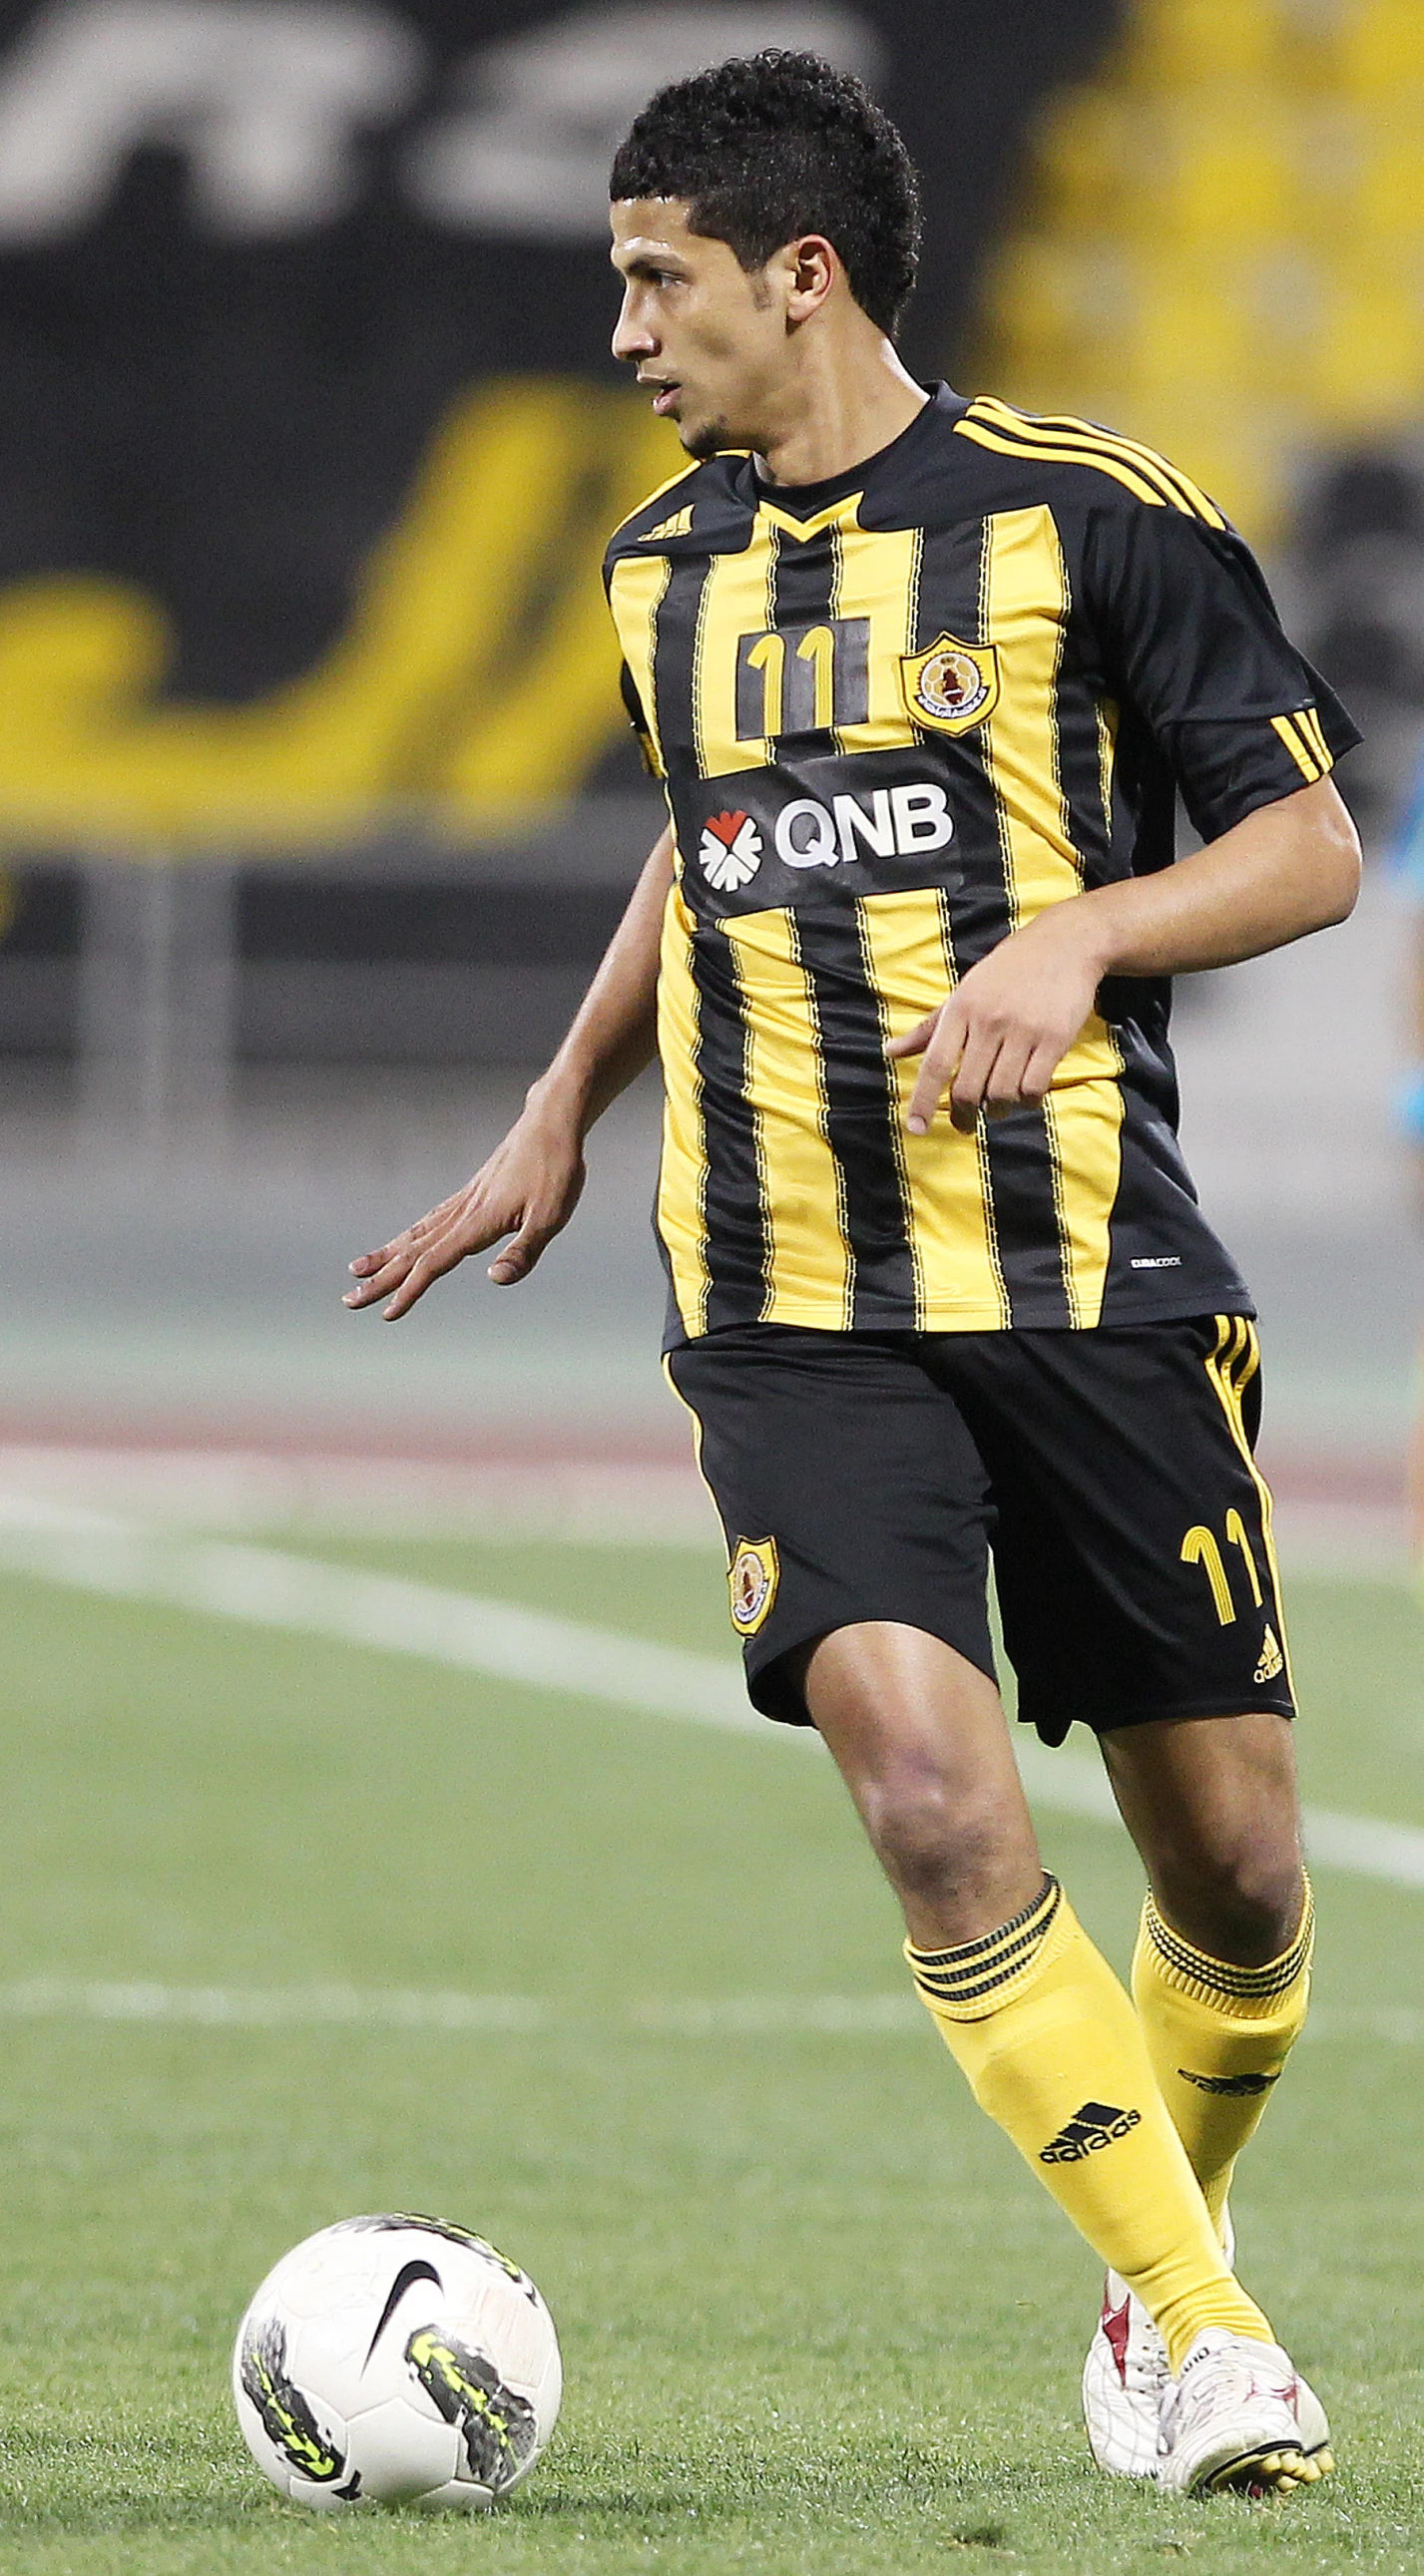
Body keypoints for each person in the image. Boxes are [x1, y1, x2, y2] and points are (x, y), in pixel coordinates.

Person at [345, 50, 1361, 2498]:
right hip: (786, 1287)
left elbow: (1307, 844)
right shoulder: (656, 570)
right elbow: (699, 852)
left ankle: (1143, 2283)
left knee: (1225, 1863)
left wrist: (1082, 932)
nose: (623, 333)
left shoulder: (1081, 522)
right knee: (923, 1788)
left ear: (798, 274)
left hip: (1087, 1269)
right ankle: (1215, 2341)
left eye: (652, 281)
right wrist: (553, 1104)